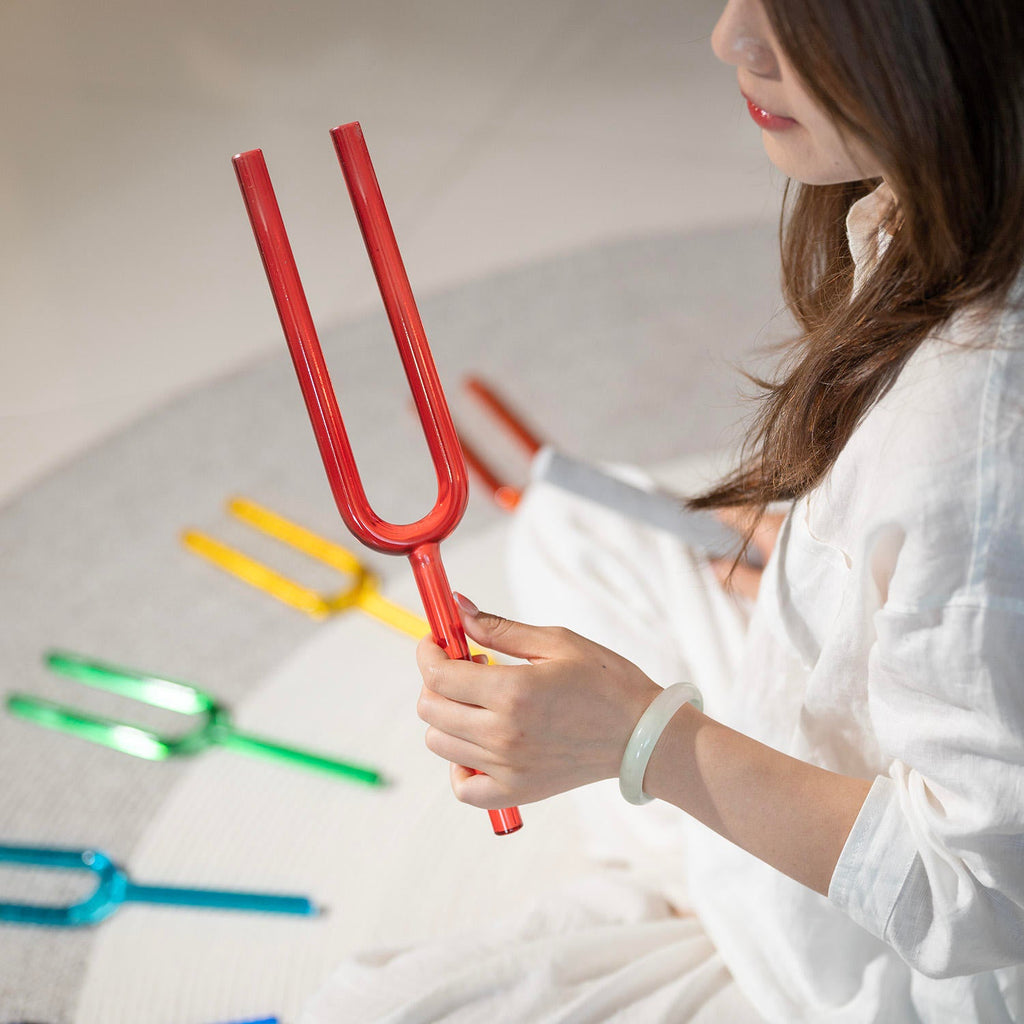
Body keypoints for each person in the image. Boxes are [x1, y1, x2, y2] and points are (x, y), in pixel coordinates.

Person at [306, 1, 1024, 1021]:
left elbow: (981, 899)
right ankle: (700, 870)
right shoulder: (934, 221)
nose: (732, 39)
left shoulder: (978, 430)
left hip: (905, 969)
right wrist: (833, 570)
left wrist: (640, 739)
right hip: (855, 736)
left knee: (373, 1009)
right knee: (575, 522)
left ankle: (706, 905)